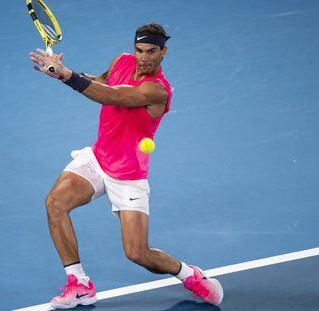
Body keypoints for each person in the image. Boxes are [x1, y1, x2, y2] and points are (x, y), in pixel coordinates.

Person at [29, 23, 224, 309]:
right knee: (55, 203)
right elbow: (103, 83)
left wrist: (68, 77)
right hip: (98, 158)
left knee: (137, 253)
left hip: (128, 174)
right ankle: (80, 284)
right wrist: (63, 73)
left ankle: (187, 273)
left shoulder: (157, 91)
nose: (143, 57)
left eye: (151, 52)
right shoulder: (121, 61)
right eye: (139, 50)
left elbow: (115, 97)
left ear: (164, 52)